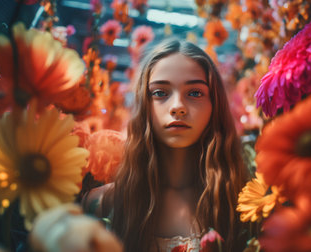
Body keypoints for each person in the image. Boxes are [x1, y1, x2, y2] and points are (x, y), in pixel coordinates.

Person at [82, 38, 248, 252]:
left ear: (214, 104)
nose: (178, 107)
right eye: (160, 93)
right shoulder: (102, 204)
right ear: (144, 105)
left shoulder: (243, 203)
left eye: (195, 93)